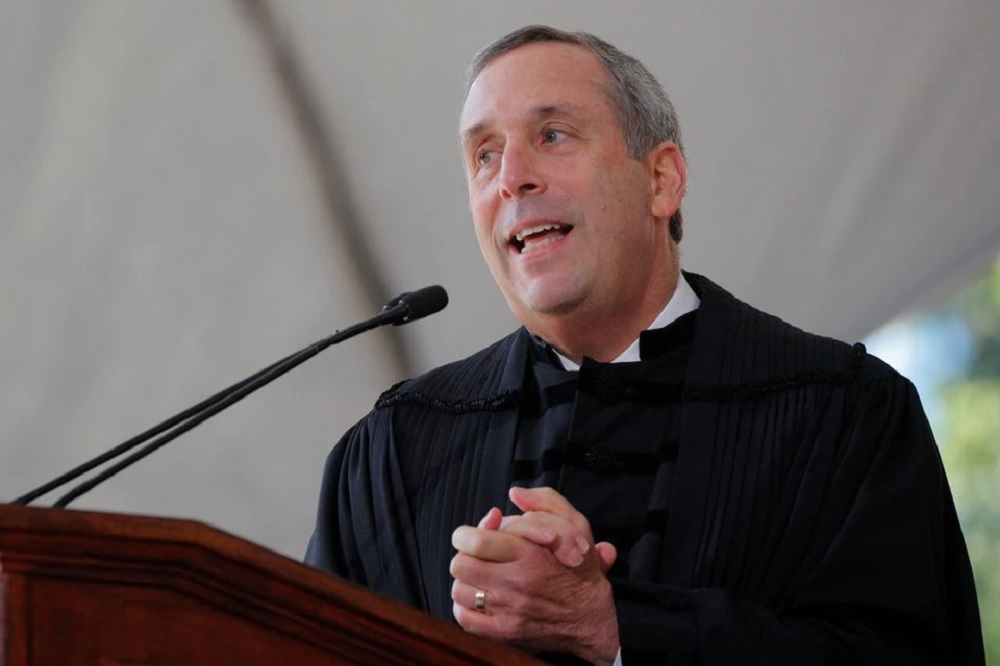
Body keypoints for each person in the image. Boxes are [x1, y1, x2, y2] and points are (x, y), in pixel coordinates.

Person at [305, 25, 984, 665]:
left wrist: (611, 627)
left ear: (661, 180)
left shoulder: (844, 414)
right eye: (484, 155)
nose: (512, 177)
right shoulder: (397, 449)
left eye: (553, 134)